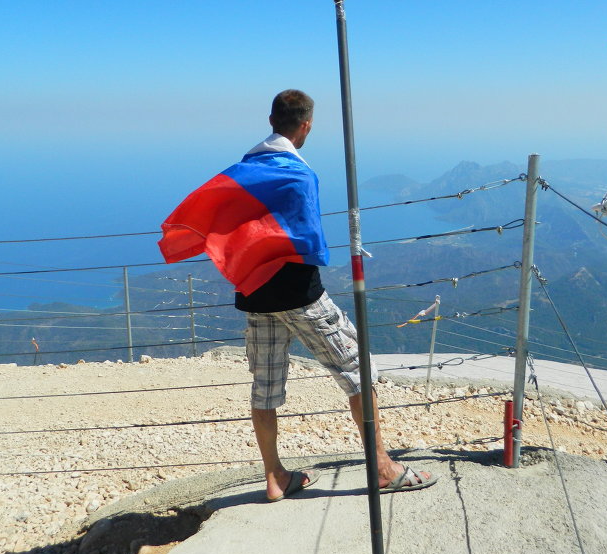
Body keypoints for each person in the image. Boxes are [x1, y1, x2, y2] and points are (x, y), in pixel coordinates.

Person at [160, 89, 436, 501]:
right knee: (358, 372)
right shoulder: (299, 173)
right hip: (299, 295)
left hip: (254, 293)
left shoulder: (243, 170)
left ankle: (275, 477)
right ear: (305, 125)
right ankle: (382, 467)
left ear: (272, 120)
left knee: (265, 387)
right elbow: (307, 238)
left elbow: (237, 226)